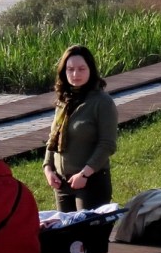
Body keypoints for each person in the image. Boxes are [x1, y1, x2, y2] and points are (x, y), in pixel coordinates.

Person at [43, 44, 118, 211]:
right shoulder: (64, 101)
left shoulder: (102, 102)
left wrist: (84, 173)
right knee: (66, 228)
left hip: (90, 182)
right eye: (70, 69)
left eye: (81, 69)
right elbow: (53, 137)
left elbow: (107, 144)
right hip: (62, 183)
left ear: (91, 70)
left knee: (87, 228)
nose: (75, 74)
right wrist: (48, 168)